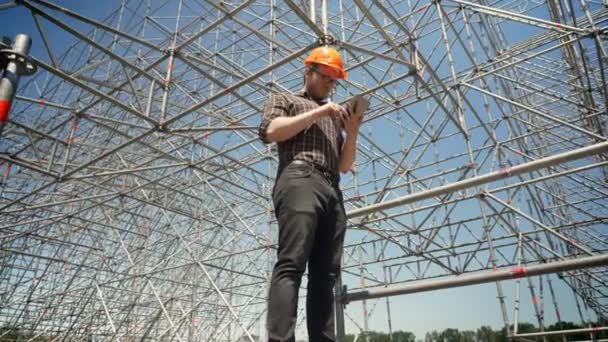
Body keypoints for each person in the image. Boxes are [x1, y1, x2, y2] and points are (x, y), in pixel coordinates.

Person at [258, 46, 364, 342]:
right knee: (292, 262)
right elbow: (271, 131)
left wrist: (352, 130)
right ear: (308, 72)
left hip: (332, 187)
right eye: (327, 78)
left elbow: (344, 165)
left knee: (325, 275)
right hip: (300, 176)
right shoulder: (285, 100)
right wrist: (320, 111)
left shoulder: (335, 119)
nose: (331, 85)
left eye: (335, 81)